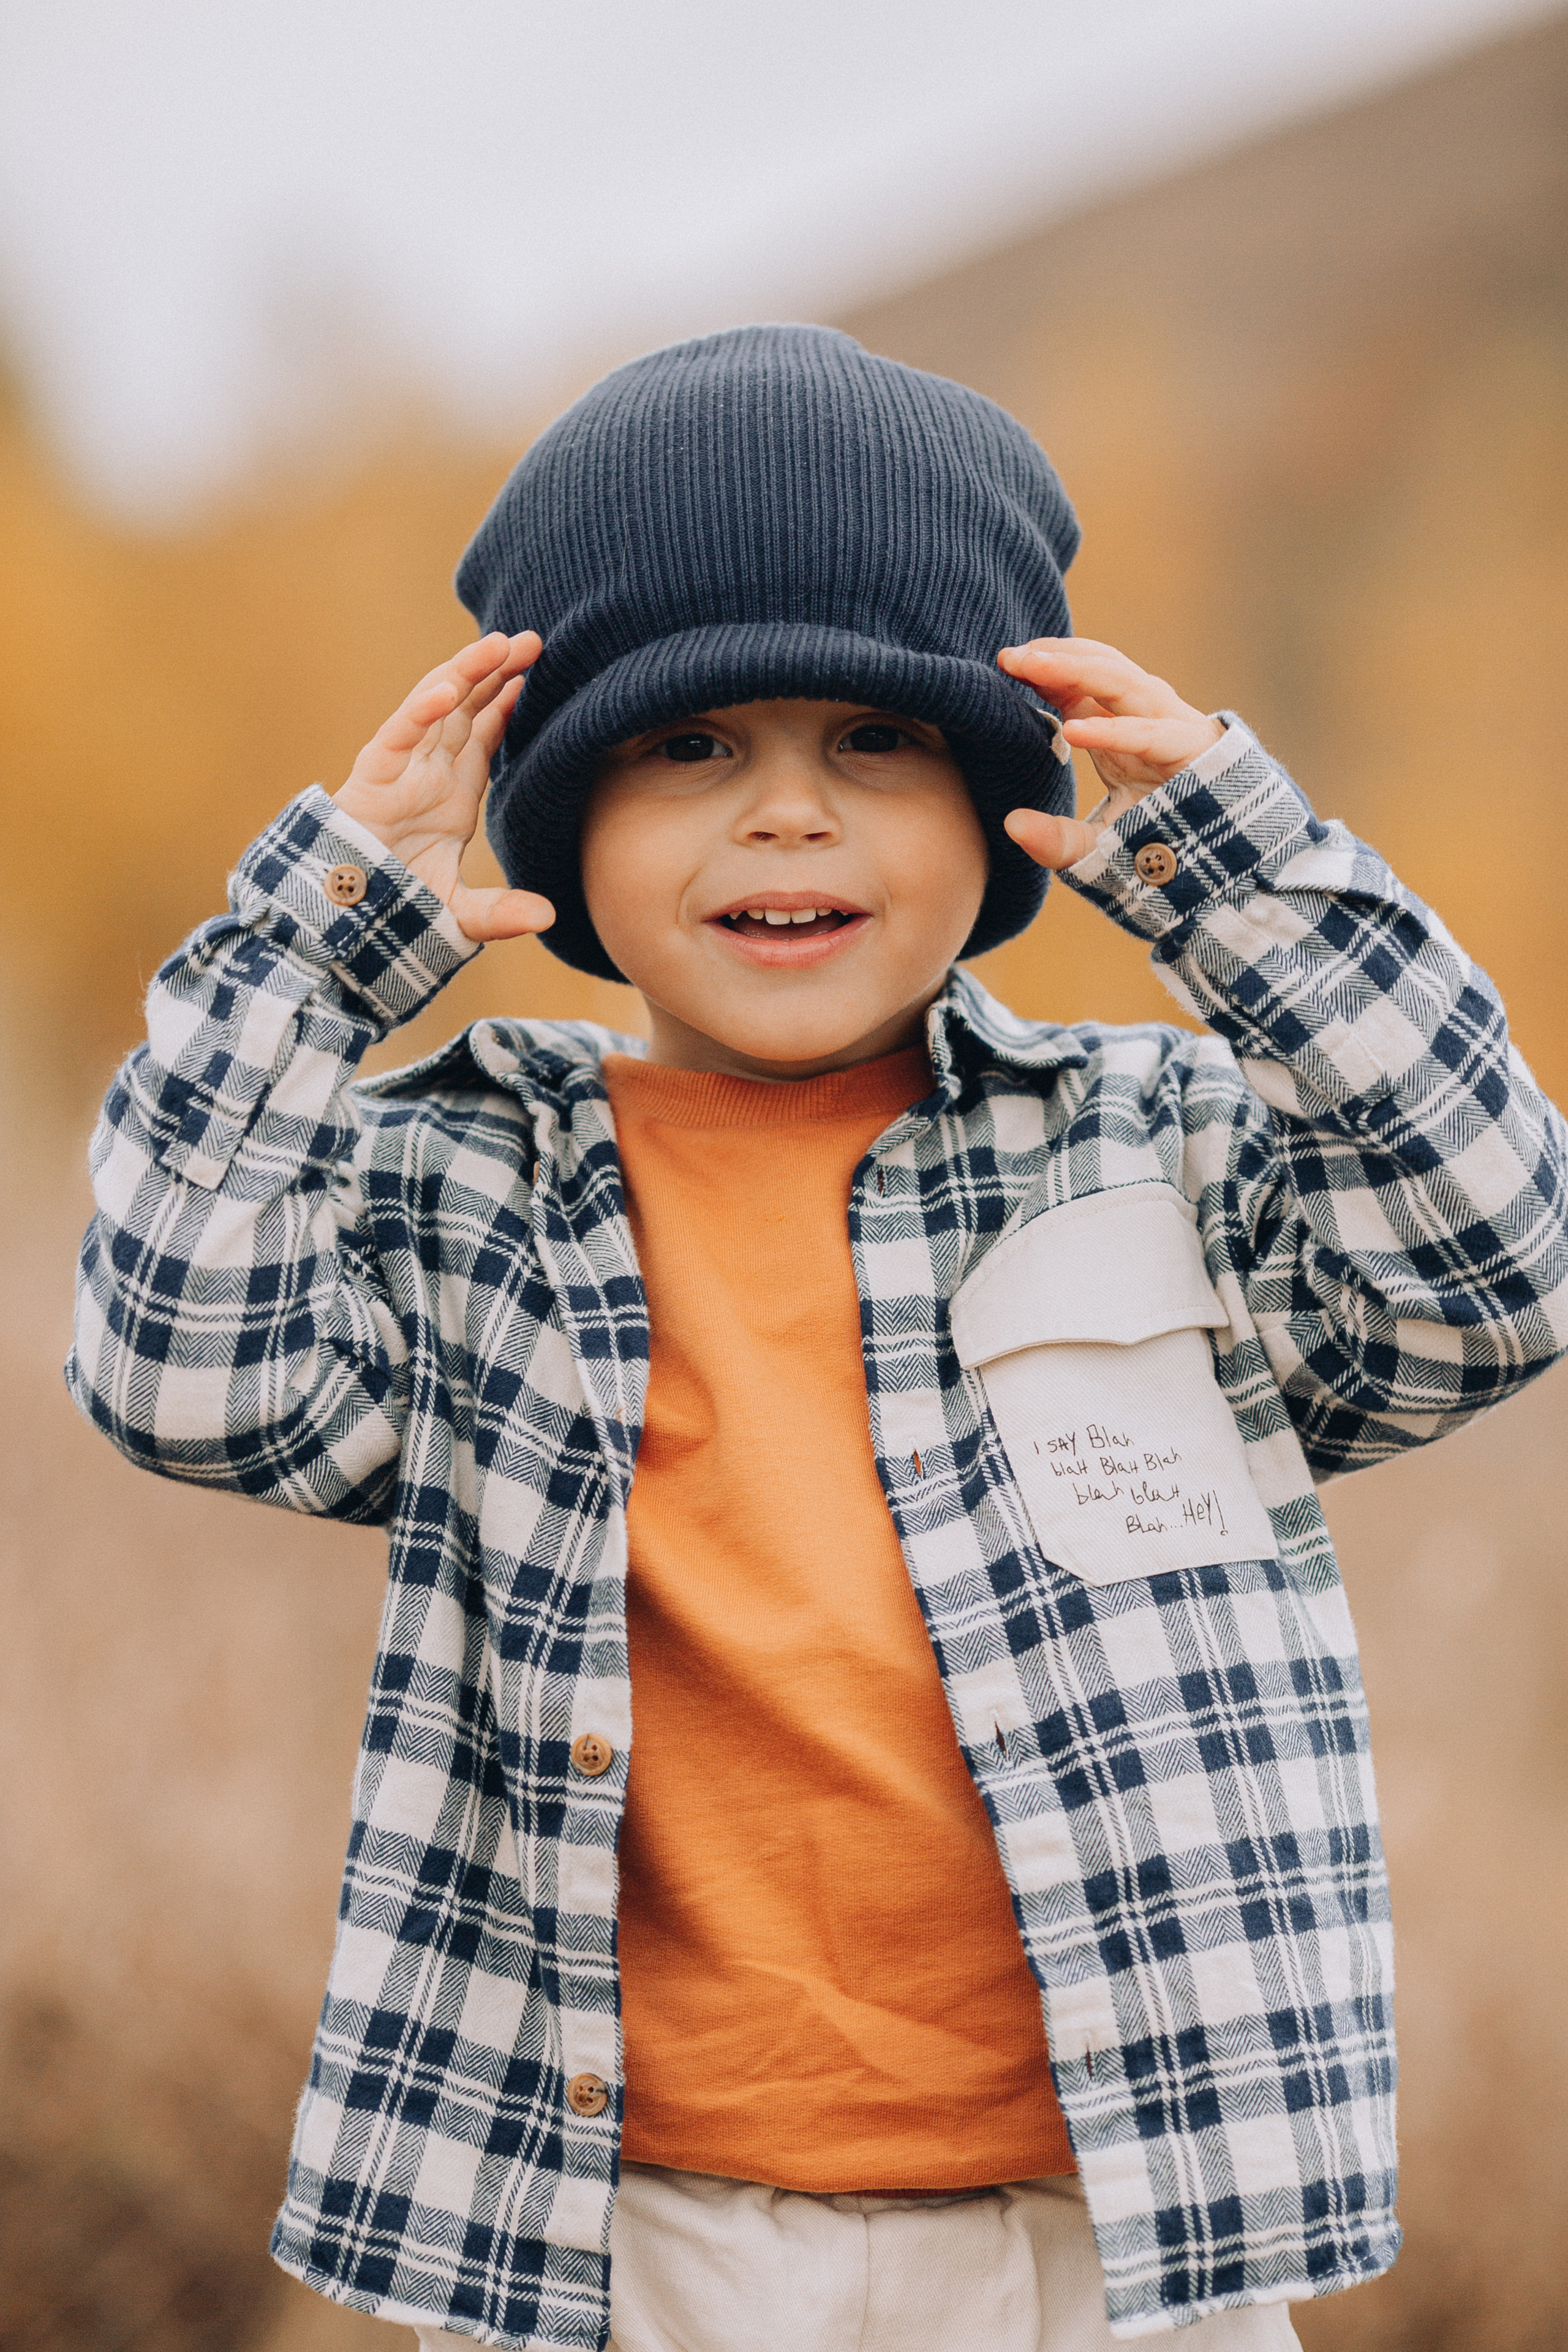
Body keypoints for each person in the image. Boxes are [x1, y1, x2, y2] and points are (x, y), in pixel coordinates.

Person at [67, 325, 1568, 2352]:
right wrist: (323, 943)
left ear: (1003, 796)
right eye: (693, 748)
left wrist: (1233, 869)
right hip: (621, 2245)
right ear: (560, 810)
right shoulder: (467, 1189)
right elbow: (172, 1360)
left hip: (1115, 2243)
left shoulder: (1158, 1153)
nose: (788, 817)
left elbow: (1493, 1262)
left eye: (875, 740)